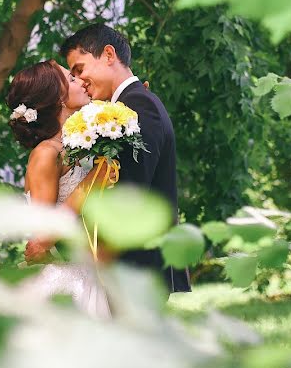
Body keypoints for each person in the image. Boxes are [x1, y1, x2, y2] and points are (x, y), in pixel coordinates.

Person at [60, 23, 192, 294]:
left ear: (109, 55)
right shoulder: (131, 103)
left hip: (136, 271)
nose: (80, 80)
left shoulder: (139, 107)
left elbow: (129, 194)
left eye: (80, 69)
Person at [5, 59, 111, 318]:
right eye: (72, 79)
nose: (82, 81)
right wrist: (96, 178)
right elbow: (42, 237)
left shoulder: (78, 145)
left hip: (93, 272)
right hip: (68, 284)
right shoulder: (45, 154)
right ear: (59, 99)